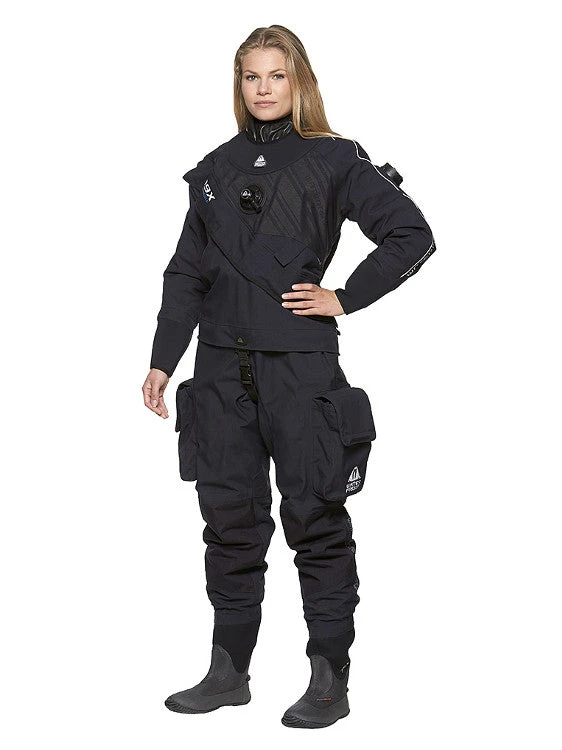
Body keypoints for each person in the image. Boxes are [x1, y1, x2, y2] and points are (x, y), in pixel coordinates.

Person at [141, 25, 436, 729]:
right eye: (252, 76)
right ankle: (228, 671)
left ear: (298, 80)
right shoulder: (213, 171)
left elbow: (412, 234)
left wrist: (346, 297)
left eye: (277, 75)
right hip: (218, 371)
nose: (264, 88)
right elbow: (185, 275)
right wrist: (162, 359)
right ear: (238, 84)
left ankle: (329, 679)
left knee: (316, 519)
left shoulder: (334, 159)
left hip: (301, 372)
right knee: (229, 523)